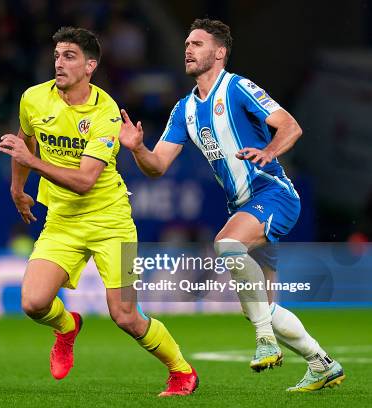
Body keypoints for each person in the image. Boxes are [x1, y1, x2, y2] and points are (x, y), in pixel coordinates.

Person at [119, 18, 345, 392]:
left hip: (273, 194)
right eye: (187, 43)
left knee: (226, 246)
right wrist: (139, 148)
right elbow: (157, 166)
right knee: (262, 307)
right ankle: (322, 364)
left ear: (219, 53)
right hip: (243, 205)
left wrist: (269, 151)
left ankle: (264, 342)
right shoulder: (185, 110)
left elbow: (290, 125)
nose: (188, 49)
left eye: (197, 44)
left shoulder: (238, 88)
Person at [0, 26, 198, 396]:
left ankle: (181, 370)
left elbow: (85, 180)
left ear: (90, 65)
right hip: (62, 221)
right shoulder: (33, 99)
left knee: (124, 316)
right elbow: (25, 141)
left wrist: (32, 163)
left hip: (111, 223)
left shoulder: (105, 113)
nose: (59, 63)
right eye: (57, 55)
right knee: (33, 302)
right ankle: (67, 327)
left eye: (69, 56)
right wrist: (17, 187)